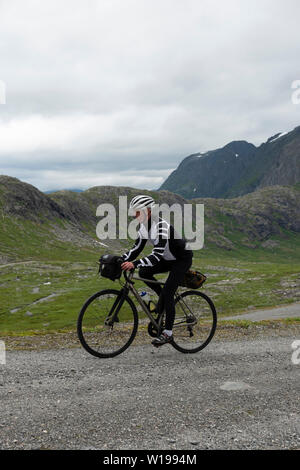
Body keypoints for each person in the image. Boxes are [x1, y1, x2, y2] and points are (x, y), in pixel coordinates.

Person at [121, 195, 193, 347]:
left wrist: (134, 263)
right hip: (168, 259)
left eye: (138, 212)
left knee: (168, 293)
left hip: (181, 259)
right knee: (144, 273)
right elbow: (136, 249)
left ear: (148, 211)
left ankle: (168, 333)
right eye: (134, 212)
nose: (135, 215)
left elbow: (156, 255)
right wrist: (120, 260)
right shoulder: (143, 226)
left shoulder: (161, 226)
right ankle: (163, 304)